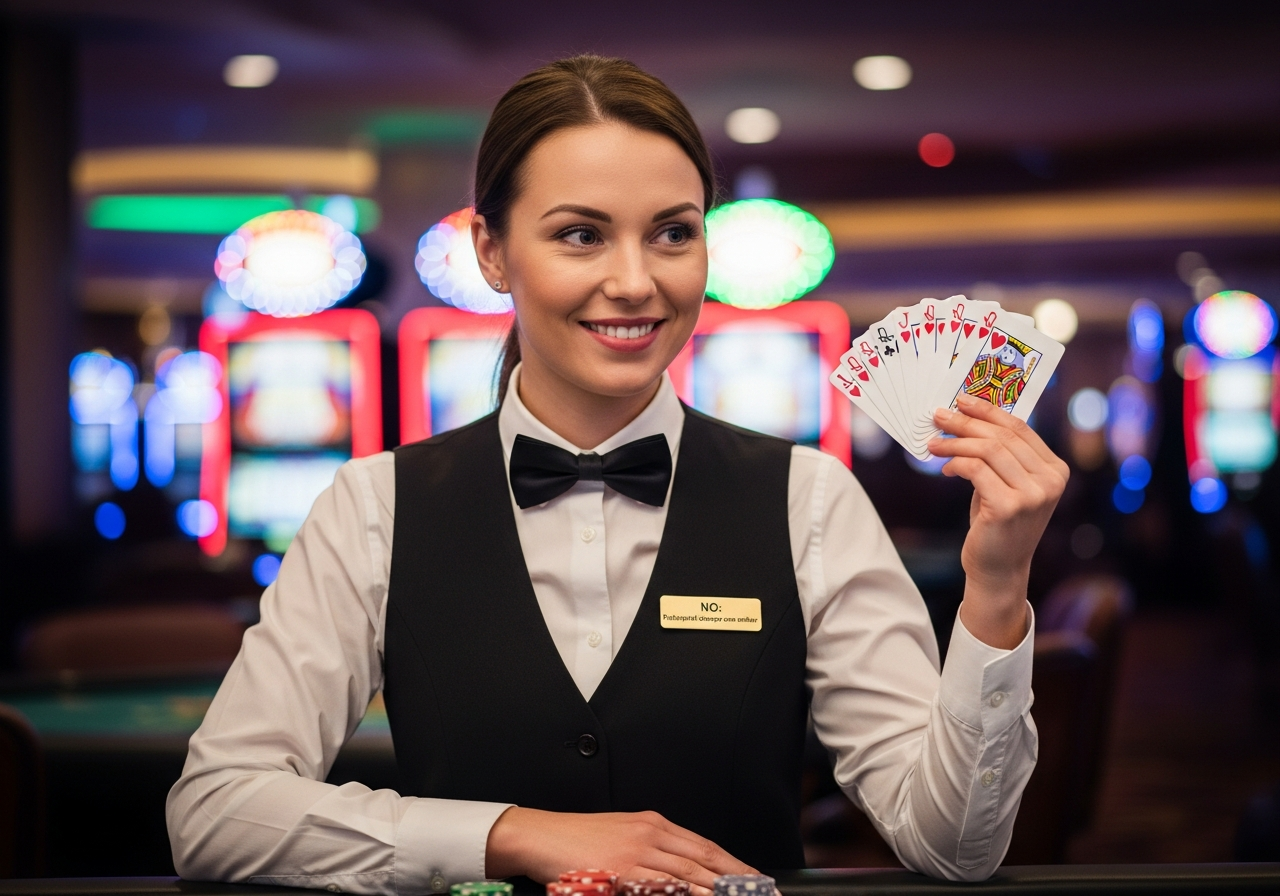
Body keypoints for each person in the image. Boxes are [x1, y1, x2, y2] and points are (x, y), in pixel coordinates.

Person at [167, 55, 1067, 893]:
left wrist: (995, 585)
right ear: (491, 251)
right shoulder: (375, 506)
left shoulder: (809, 497)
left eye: (673, 234)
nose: (636, 281)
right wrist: (510, 833)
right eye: (581, 236)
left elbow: (954, 847)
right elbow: (214, 812)